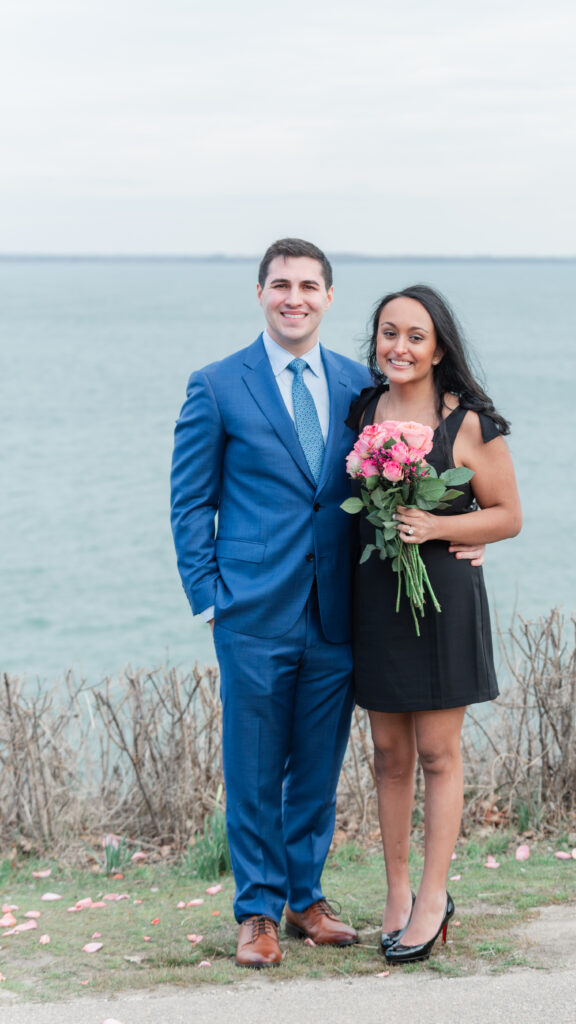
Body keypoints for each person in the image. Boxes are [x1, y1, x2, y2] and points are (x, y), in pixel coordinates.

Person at [170, 238, 373, 967]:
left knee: (317, 767)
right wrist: (210, 598)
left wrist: (461, 534)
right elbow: (191, 501)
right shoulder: (218, 384)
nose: (296, 297)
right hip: (252, 612)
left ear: (327, 298)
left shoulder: (361, 385)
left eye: (309, 286)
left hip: (337, 610)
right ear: (260, 292)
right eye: (281, 284)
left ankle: (303, 898)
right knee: (254, 767)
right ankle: (254, 910)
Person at [349, 284, 522, 965]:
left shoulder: (469, 421)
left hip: (443, 598)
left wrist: (439, 525)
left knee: (437, 755)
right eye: (389, 333)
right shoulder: (363, 409)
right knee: (388, 756)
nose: (400, 346)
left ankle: (432, 896)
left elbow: (507, 514)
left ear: (438, 347)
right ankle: (393, 894)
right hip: (375, 596)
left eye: (415, 336)